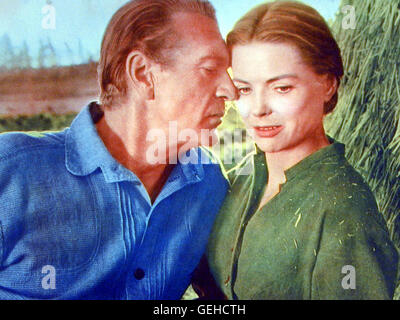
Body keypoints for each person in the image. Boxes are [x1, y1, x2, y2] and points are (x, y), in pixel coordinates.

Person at [0, 0, 236, 299]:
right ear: (142, 74)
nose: (231, 90)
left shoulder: (209, 183)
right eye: (209, 68)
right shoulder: (10, 171)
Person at [193, 1, 399, 300]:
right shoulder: (241, 178)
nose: (258, 110)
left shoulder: (344, 212)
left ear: (327, 84)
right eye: (245, 89)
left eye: (282, 88)